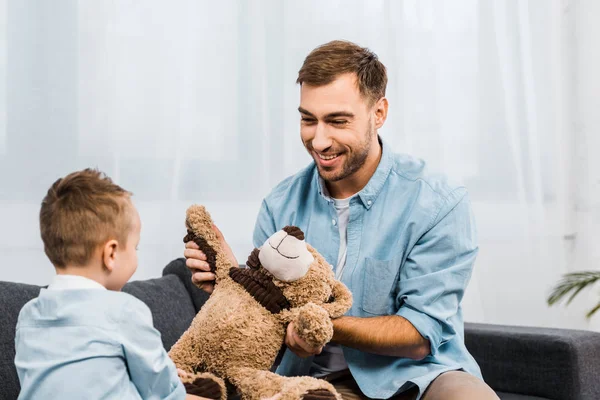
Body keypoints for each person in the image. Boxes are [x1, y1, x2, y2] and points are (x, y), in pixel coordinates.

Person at [185, 41, 498, 400]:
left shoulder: (437, 202)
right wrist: (234, 286)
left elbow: (418, 336)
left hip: (414, 377)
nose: (319, 140)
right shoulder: (279, 205)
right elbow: (267, 317)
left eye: (337, 121)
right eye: (308, 119)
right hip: (307, 383)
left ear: (378, 113)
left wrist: (320, 326)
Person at [14, 169, 206, 400]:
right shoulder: (124, 311)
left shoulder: (28, 315)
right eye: (135, 248)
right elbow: (161, 390)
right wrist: (171, 377)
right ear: (111, 253)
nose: (135, 255)